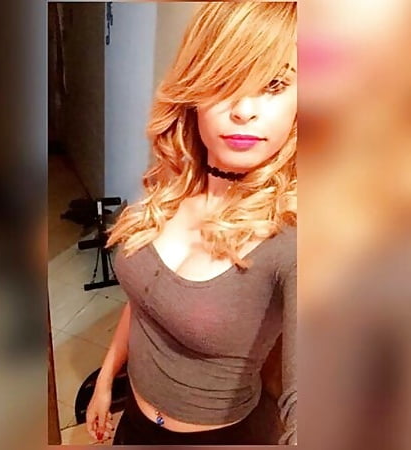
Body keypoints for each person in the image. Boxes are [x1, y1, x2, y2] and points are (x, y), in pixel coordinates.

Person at [86, 1, 297, 445]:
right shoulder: (173, 185)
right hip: (134, 423)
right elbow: (143, 304)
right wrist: (106, 380)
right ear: (194, 90)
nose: (243, 109)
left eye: (274, 83)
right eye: (224, 79)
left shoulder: (298, 237)